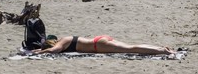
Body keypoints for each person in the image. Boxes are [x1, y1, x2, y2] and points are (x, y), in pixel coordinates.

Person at [32, 35, 176, 55]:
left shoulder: (62, 42)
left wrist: (40, 52)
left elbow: (55, 50)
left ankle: (163, 50)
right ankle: (160, 48)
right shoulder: (65, 39)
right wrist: (39, 49)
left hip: (98, 46)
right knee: (131, 46)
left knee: (131, 49)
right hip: (99, 40)